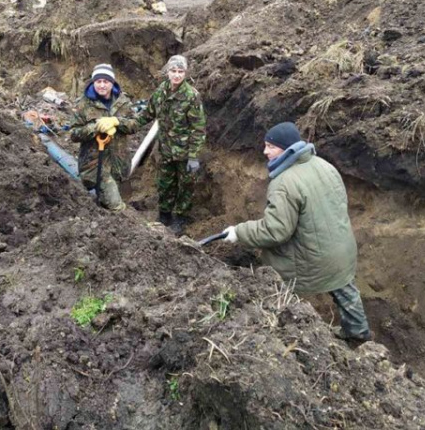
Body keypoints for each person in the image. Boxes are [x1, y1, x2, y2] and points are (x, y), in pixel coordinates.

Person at [221, 122, 371, 342]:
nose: (265, 152)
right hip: (342, 250)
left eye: (270, 146)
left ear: (286, 148)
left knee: (272, 280)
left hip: (313, 259)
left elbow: (275, 231)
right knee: (345, 290)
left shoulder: (284, 182)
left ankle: (277, 329)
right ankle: (358, 334)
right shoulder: (324, 165)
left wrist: (239, 232)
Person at [134, 55, 206, 232]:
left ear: (185, 73)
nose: (177, 75)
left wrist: (193, 157)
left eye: (180, 72)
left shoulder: (191, 96)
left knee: (185, 186)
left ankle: (181, 218)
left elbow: (198, 129)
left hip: (185, 152)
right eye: (173, 71)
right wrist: (128, 125)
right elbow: (147, 115)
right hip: (166, 150)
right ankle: (164, 214)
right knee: (165, 183)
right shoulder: (160, 92)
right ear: (167, 72)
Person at [70, 63, 137, 211]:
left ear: (111, 82)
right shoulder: (83, 105)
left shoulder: (123, 101)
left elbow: (135, 124)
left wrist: (117, 122)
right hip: (95, 165)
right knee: (117, 207)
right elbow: (73, 134)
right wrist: (95, 127)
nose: (101, 85)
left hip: (119, 163)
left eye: (105, 81)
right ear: (93, 82)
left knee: (110, 202)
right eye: (98, 81)